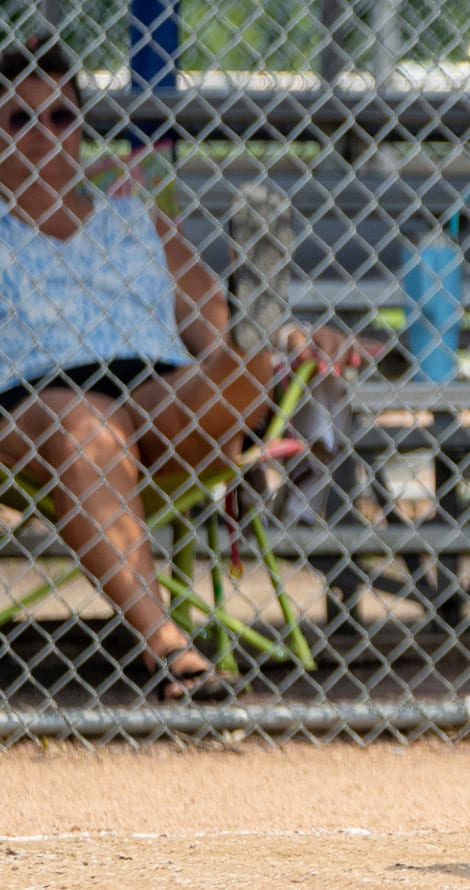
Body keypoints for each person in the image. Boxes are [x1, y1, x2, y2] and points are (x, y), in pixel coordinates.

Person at [0, 39, 369, 701]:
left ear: (82, 129)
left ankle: (269, 335)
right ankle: (165, 646)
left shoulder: (137, 218)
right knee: (88, 422)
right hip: (32, 398)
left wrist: (288, 337)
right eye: (19, 119)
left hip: (155, 392)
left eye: (60, 117)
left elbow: (208, 322)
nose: (42, 136)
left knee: (233, 356)